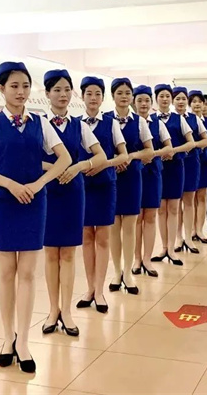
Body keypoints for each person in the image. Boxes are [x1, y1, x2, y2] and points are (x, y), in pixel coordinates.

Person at [0, 61, 71, 374]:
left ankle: (23, 341)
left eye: (25, 86)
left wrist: (39, 183)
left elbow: (64, 158)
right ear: (1, 88)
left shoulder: (41, 123)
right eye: (14, 86)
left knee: (27, 273)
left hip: (33, 203)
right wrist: (9, 184)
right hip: (3, 203)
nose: (20, 92)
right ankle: (6, 338)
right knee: (5, 273)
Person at [40, 69, 106, 337]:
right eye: (57, 90)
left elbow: (101, 156)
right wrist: (55, 168)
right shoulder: (38, 124)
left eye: (67, 89)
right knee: (49, 253)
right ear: (47, 94)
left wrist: (79, 166)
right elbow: (28, 159)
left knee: (67, 253)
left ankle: (66, 311)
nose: (63, 95)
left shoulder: (80, 126)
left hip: (73, 193)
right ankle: (52, 310)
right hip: (47, 191)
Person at [77, 76, 128, 314]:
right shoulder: (75, 123)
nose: (93, 98)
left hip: (106, 185)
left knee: (103, 239)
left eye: (98, 94)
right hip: (82, 186)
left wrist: (103, 164)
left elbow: (124, 155)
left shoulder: (111, 123)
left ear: (103, 97)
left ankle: (100, 291)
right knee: (87, 237)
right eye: (89, 93)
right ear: (82, 96)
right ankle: (89, 288)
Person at [105, 79, 154, 295]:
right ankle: (116, 271)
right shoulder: (105, 120)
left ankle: (128, 272)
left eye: (127, 93)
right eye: (120, 93)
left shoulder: (140, 122)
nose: (124, 97)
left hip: (133, 176)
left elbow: (149, 151)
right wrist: (114, 161)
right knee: (114, 226)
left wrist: (129, 156)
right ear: (112, 96)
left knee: (130, 226)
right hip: (111, 177)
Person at [151, 84, 195, 266]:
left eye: (167, 96)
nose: (164, 99)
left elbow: (191, 143)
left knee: (174, 208)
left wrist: (173, 150)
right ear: (156, 99)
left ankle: (172, 248)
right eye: (161, 96)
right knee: (161, 209)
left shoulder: (179, 119)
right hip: (158, 168)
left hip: (176, 167)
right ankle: (163, 247)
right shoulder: (150, 120)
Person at [132, 85, 173, 278]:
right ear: (133, 102)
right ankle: (136, 259)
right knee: (135, 218)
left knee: (150, 217)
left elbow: (169, 147)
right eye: (139, 100)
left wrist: (151, 154)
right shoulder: (128, 122)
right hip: (133, 174)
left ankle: (147, 259)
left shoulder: (157, 123)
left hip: (153, 173)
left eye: (147, 100)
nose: (143, 104)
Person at [174, 87, 207, 254]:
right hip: (174, 164)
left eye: (183, 98)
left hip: (191, 163)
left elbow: (206, 140)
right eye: (177, 99)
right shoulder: (167, 119)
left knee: (189, 201)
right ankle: (178, 237)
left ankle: (189, 237)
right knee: (175, 203)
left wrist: (191, 145)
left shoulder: (195, 119)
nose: (180, 101)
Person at [189, 92, 207, 243]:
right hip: (190, 160)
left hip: (204, 160)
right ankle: (191, 229)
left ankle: (199, 229)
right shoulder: (185, 120)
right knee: (190, 197)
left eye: (200, 102)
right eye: (194, 101)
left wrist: (204, 144)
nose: (197, 104)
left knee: (202, 196)